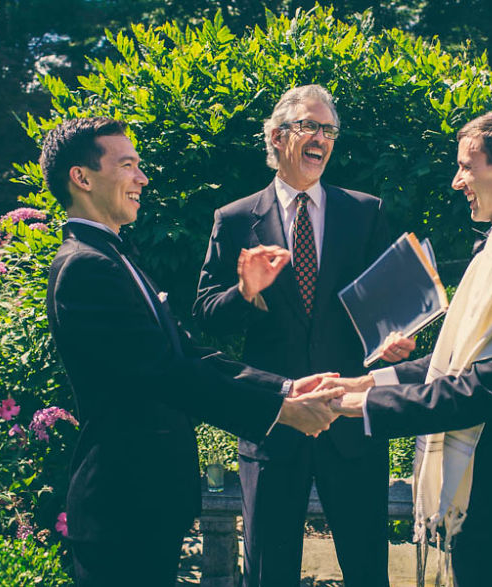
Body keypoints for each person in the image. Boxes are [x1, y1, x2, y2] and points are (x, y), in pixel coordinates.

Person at [41, 117, 343, 587]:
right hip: (122, 505)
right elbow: (166, 374)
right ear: (81, 178)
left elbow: (187, 353)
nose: (142, 178)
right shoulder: (86, 268)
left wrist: (283, 386)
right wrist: (279, 409)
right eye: (127, 165)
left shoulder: (112, 257)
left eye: (139, 166)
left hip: (145, 505)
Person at [318, 108, 492, 587]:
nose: (457, 180)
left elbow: (477, 390)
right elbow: (454, 362)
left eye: (467, 165)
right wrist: (367, 381)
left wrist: (363, 405)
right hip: (483, 497)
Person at [193, 85, 391, 587]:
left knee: (368, 567)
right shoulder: (235, 219)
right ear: (278, 136)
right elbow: (206, 315)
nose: (321, 137)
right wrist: (245, 291)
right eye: (310, 126)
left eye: (329, 129)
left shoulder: (365, 212)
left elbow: (382, 306)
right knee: (268, 571)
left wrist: (391, 337)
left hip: (351, 422)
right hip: (273, 423)